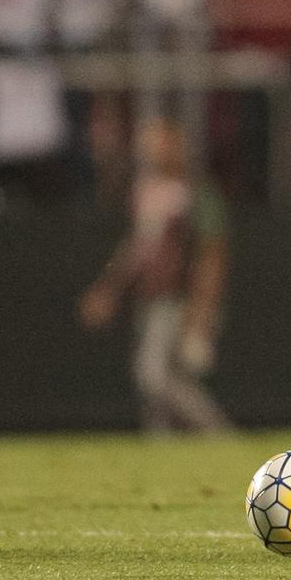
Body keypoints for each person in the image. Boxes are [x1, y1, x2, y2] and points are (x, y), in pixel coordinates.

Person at [79, 118, 230, 433]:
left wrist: (202, 310)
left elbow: (211, 255)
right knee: (157, 376)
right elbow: (137, 249)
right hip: (150, 296)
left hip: (180, 297)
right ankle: (161, 444)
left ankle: (216, 433)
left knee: (155, 374)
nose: (153, 151)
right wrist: (108, 290)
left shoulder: (196, 193)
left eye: (161, 143)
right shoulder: (146, 191)